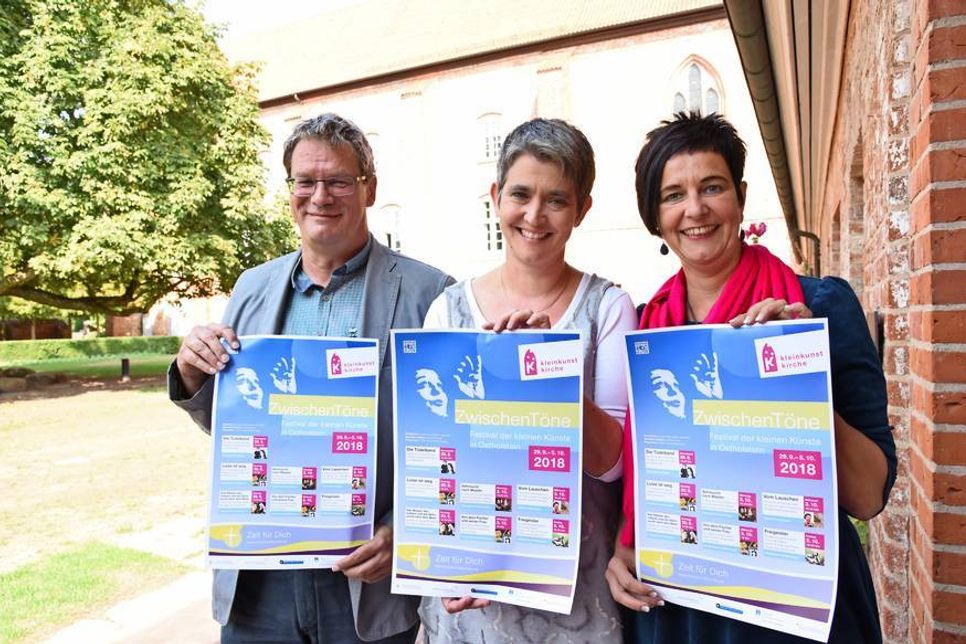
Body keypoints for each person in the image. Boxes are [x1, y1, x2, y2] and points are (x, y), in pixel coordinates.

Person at [604, 112, 896, 643]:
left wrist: (795, 379)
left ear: (738, 196)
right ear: (654, 216)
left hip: (797, 605)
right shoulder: (648, 329)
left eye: (711, 186)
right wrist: (621, 549)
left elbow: (869, 495)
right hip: (681, 609)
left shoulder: (818, 305)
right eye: (673, 195)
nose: (695, 209)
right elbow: (643, 476)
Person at [169, 112, 453, 643]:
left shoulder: (430, 293)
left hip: (365, 583)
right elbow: (230, 423)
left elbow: (452, 437)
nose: (320, 195)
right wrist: (191, 373)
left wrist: (403, 532)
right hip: (259, 578)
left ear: (368, 188)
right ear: (291, 189)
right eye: (306, 181)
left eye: (339, 181)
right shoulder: (252, 288)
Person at [419, 118, 637, 643]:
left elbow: (612, 465)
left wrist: (549, 374)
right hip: (471, 594)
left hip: (573, 602)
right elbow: (429, 455)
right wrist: (446, 560)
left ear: (582, 209)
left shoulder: (608, 306)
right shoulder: (448, 311)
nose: (535, 215)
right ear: (496, 197)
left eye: (556, 200)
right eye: (521, 194)